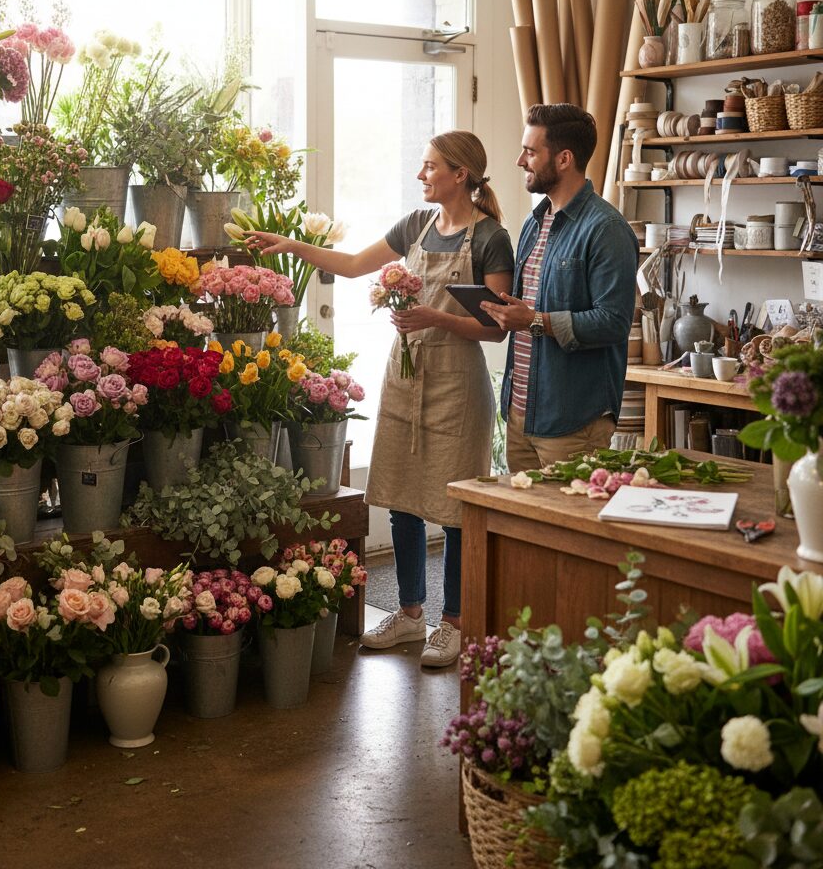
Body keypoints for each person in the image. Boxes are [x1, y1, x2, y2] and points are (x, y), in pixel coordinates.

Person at [245, 131, 514, 668]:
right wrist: (292, 246)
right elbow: (349, 265)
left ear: (460, 174)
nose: (421, 175)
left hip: (458, 388)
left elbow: (496, 329)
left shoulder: (491, 239)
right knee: (400, 493)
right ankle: (411, 615)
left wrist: (435, 317)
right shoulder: (415, 226)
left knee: (457, 506)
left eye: (430, 166)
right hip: (405, 378)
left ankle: (453, 623)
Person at [480, 103, 639, 473]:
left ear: (564, 158)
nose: (521, 160)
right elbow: (528, 311)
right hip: (520, 414)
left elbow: (613, 321)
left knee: (568, 529)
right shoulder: (533, 224)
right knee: (522, 531)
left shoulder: (606, 230)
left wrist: (535, 320)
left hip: (573, 422)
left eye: (531, 152)